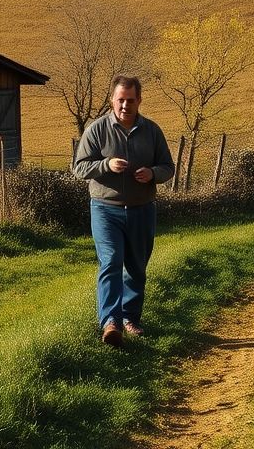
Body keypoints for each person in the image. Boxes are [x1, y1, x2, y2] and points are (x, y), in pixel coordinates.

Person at [72, 74, 175, 347]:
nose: (125, 106)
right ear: (112, 101)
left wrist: (152, 173)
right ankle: (110, 322)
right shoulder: (96, 130)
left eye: (130, 100)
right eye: (120, 100)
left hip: (142, 210)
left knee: (137, 268)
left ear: (139, 100)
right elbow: (79, 167)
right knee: (111, 261)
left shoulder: (152, 131)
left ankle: (130, 319)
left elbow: (168, 167)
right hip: (106, 209)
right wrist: (105, 165)